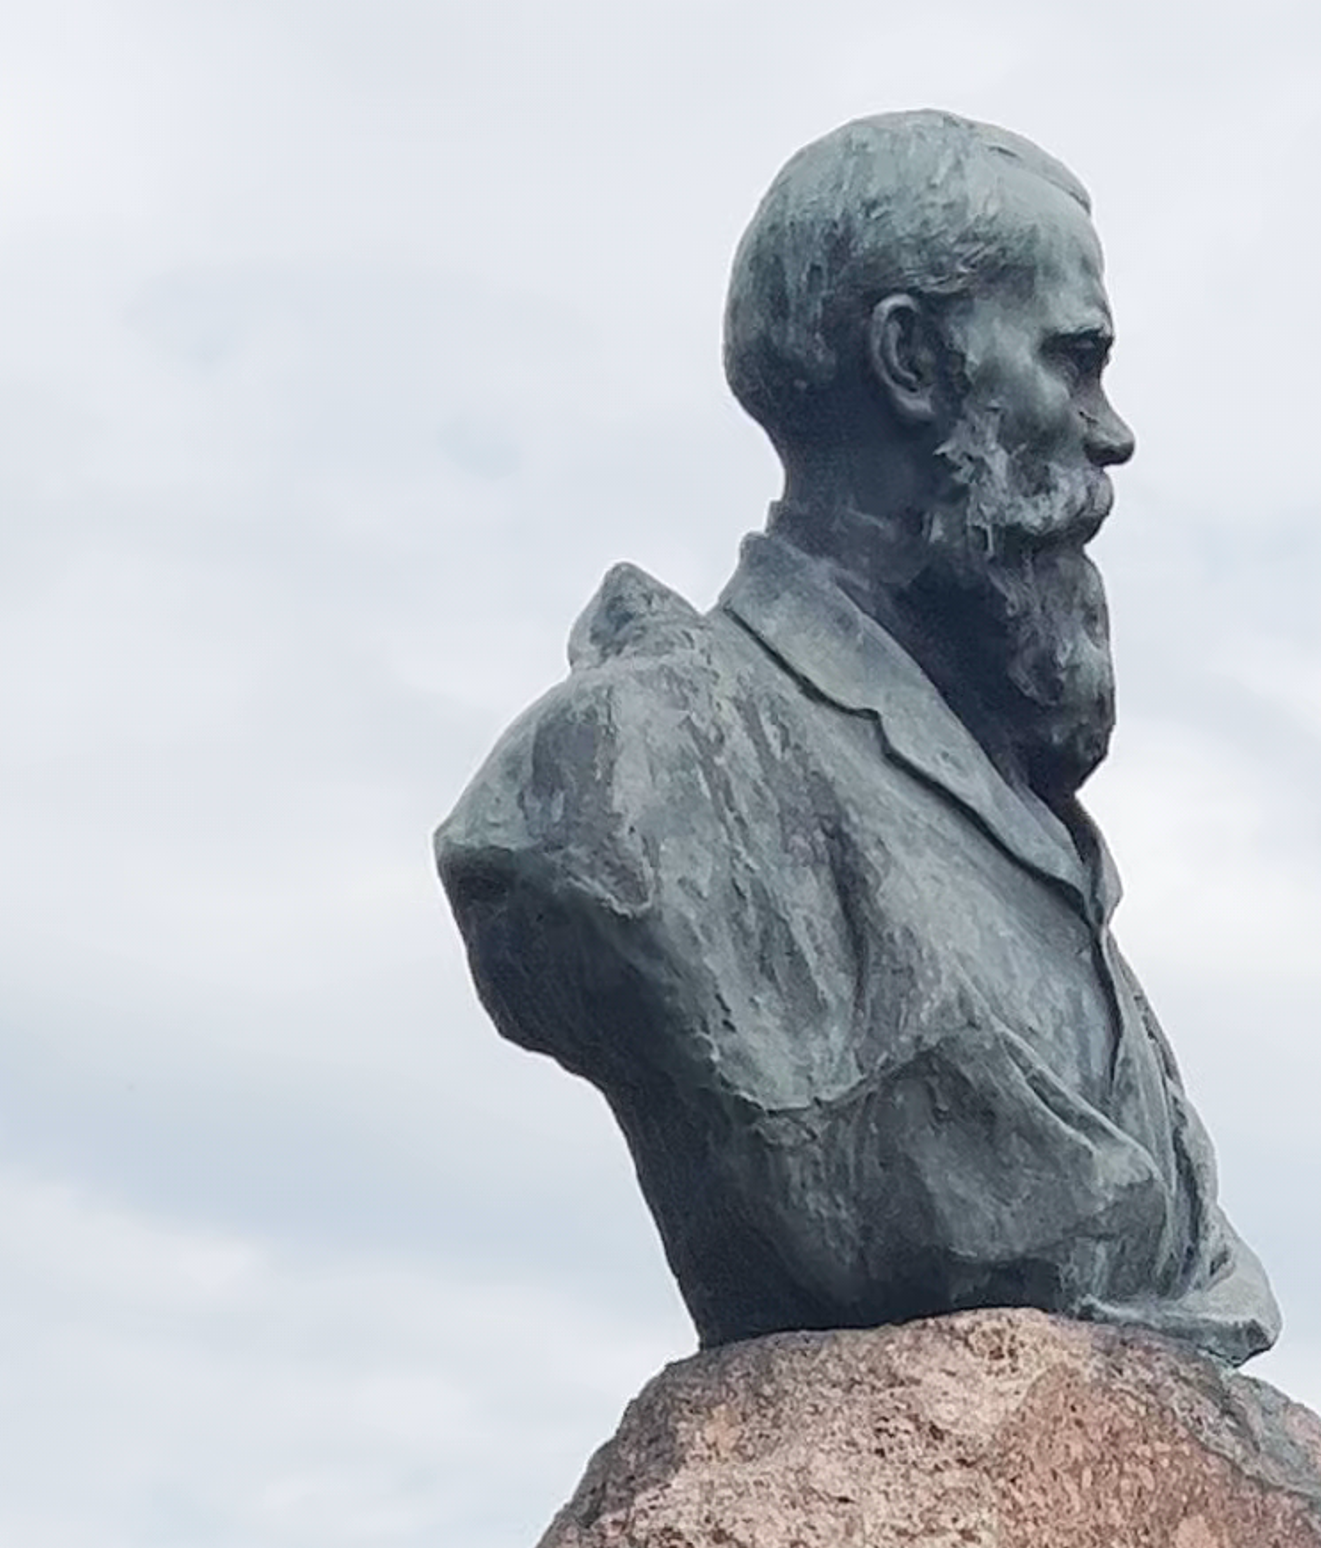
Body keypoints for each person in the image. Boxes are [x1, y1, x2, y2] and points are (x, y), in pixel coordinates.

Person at [438, 109, 1276, 1358]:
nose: (1111, 431)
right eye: (1073, 360)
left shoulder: (1025, 832)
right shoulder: (631, 773)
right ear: (913, 362)